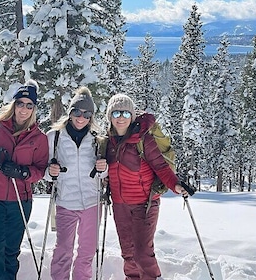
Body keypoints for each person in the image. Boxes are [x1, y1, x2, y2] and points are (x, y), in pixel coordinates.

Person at [0, 79, 49, 280]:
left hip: (20, 201)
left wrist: (22, 173)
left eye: (29, 105)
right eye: (20, 103)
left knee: (11, 251)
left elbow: (40, 170)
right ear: (14, 104)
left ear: (34, 108)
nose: (24, 109)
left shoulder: (38, 137)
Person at [105, 94, 187, 280]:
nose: (121, 117)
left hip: (145, 204)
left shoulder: (143, 139)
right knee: (128, 253)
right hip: (120, 206)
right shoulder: (106, 142)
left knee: (142, 253)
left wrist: (176, 185)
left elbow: (160, 166)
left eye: (126, 113)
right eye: (116, 113)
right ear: (109, 116)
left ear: (133, 116)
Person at [45, 86, 108, 280]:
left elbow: (105, 173)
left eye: (87, 114)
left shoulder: (98, 140)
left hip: (92, 201)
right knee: (63, 250)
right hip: (65, 202)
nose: (81, 118)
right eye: (77, 112)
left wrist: (103, 169)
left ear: (91, 117)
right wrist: (50, 172)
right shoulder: (53, 137)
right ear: (70, 112)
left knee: (87, 252)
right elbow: (44, 171)